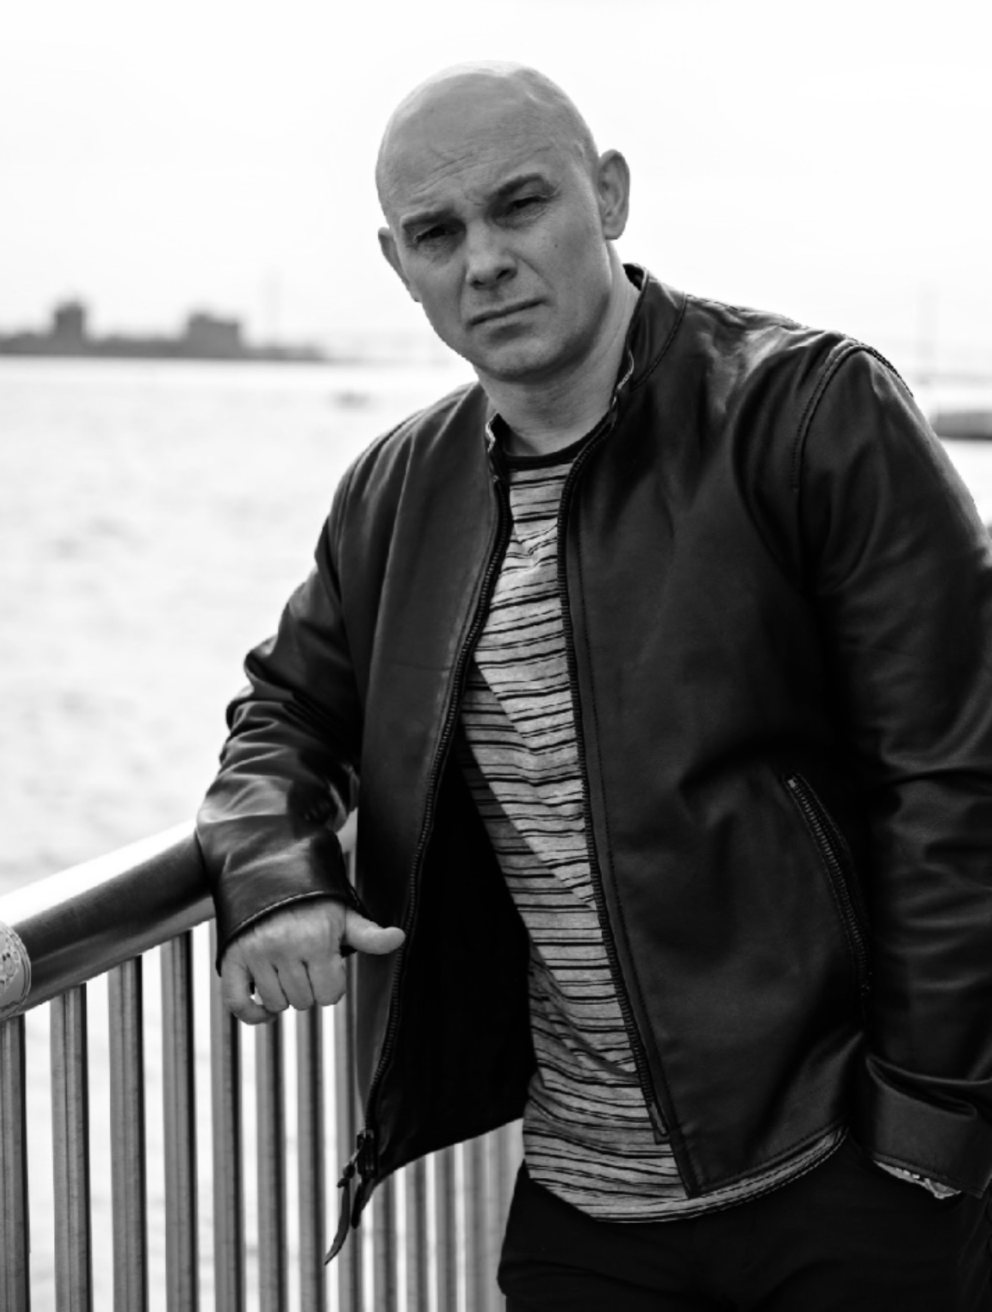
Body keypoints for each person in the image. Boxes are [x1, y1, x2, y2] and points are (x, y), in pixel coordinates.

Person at [197, 61, 992, 1309]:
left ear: (607, 196)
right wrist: (273, 877)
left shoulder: (809, 412)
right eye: (437, 234)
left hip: (841, 1163)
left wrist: (929, 1128)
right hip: (583, 1207)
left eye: (521, 205)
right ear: (398, 264)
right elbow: (286, 711)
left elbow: (954, 775)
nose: (485, 261)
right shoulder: (398, 493)